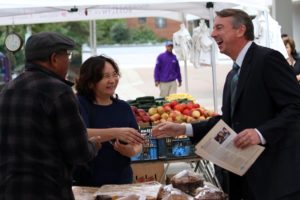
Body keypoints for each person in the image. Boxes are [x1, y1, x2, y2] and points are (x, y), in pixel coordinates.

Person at [152, 8, 300, 200]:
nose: (213, 34)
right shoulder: (233, 74)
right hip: (245, 179)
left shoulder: (267, 59)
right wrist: (183, 127)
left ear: (240, 30)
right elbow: (228, 121)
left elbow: (295, 106)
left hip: (276, 179)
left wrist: (260, 133)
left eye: (219, 28)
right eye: (213, 28)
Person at [0, 32, 102, 200]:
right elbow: (78, 152)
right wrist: (93, 145)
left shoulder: (7, 90)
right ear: (54, 58)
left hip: (9, 190)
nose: (69, 61)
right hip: (47, 190)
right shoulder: (59, 92)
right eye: (67, 55)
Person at [74, 55, 143, 186]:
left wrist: (131, 151)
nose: (112, 80)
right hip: (87, 183)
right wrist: (116, 132)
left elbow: (138, 141)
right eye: (106, 76)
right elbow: (78, 133)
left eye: (115, 74)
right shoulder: (79, 103)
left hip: (122, 181)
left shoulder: (124, 107)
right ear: (90, 82)